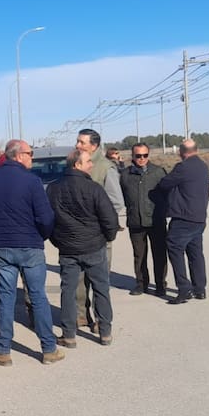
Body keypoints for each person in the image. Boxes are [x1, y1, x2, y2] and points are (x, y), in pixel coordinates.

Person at [0, 139, 63, 366]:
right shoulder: (32, 182)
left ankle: (3, 351)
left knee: (6, 298)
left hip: (2, 247)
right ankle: (49, 349)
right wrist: (40, 235)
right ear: (19, 155)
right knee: (38, 297)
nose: (32, 157)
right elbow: (46, 217)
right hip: (30, 246)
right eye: (30, 153)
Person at [47, 149, 119, 347]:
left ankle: (69, 334)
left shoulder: (53, 189)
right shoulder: (94, 188)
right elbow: (110, 218)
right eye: (88, 161)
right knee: (101, 288)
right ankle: (105, 332)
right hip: (93, 246)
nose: (91, 164)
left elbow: (47, 221)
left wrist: (57, 240)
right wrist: (107, 238)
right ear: (76, 165)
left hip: (68, 248)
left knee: (68, 291)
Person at [73, 129, 125, 331]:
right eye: (77, 141)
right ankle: (80, 315)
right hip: (78, 234)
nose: (77, 145)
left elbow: (116, 202)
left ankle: (100, 319)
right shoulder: (76, 164)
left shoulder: (105, 168)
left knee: (98, 279)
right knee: (78, 280)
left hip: (98, 234)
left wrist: (100, 221)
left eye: (81, 142)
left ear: (93, 146)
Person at [157, 139, 209, 304]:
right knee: (195, 254)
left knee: (175, 251)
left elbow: (165, 184)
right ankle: (200, 289)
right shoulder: (203, 166)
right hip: (199, 218)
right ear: (196, 149)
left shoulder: (183, 167)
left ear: (181, 151)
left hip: (183, 218)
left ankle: (184, 288)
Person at [121, 143, 169, 297]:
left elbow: (168, 194)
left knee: (160, 254)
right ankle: (141, 283)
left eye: (145, 155)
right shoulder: (125, 175)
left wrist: (164, 211)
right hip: (135, 221)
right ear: (132, 156)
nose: (142, 159)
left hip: (156, 221)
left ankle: (161, 284)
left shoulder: (158, 172)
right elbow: (121, 196)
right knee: (139, 255)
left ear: (148, 155)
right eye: (138, 156)